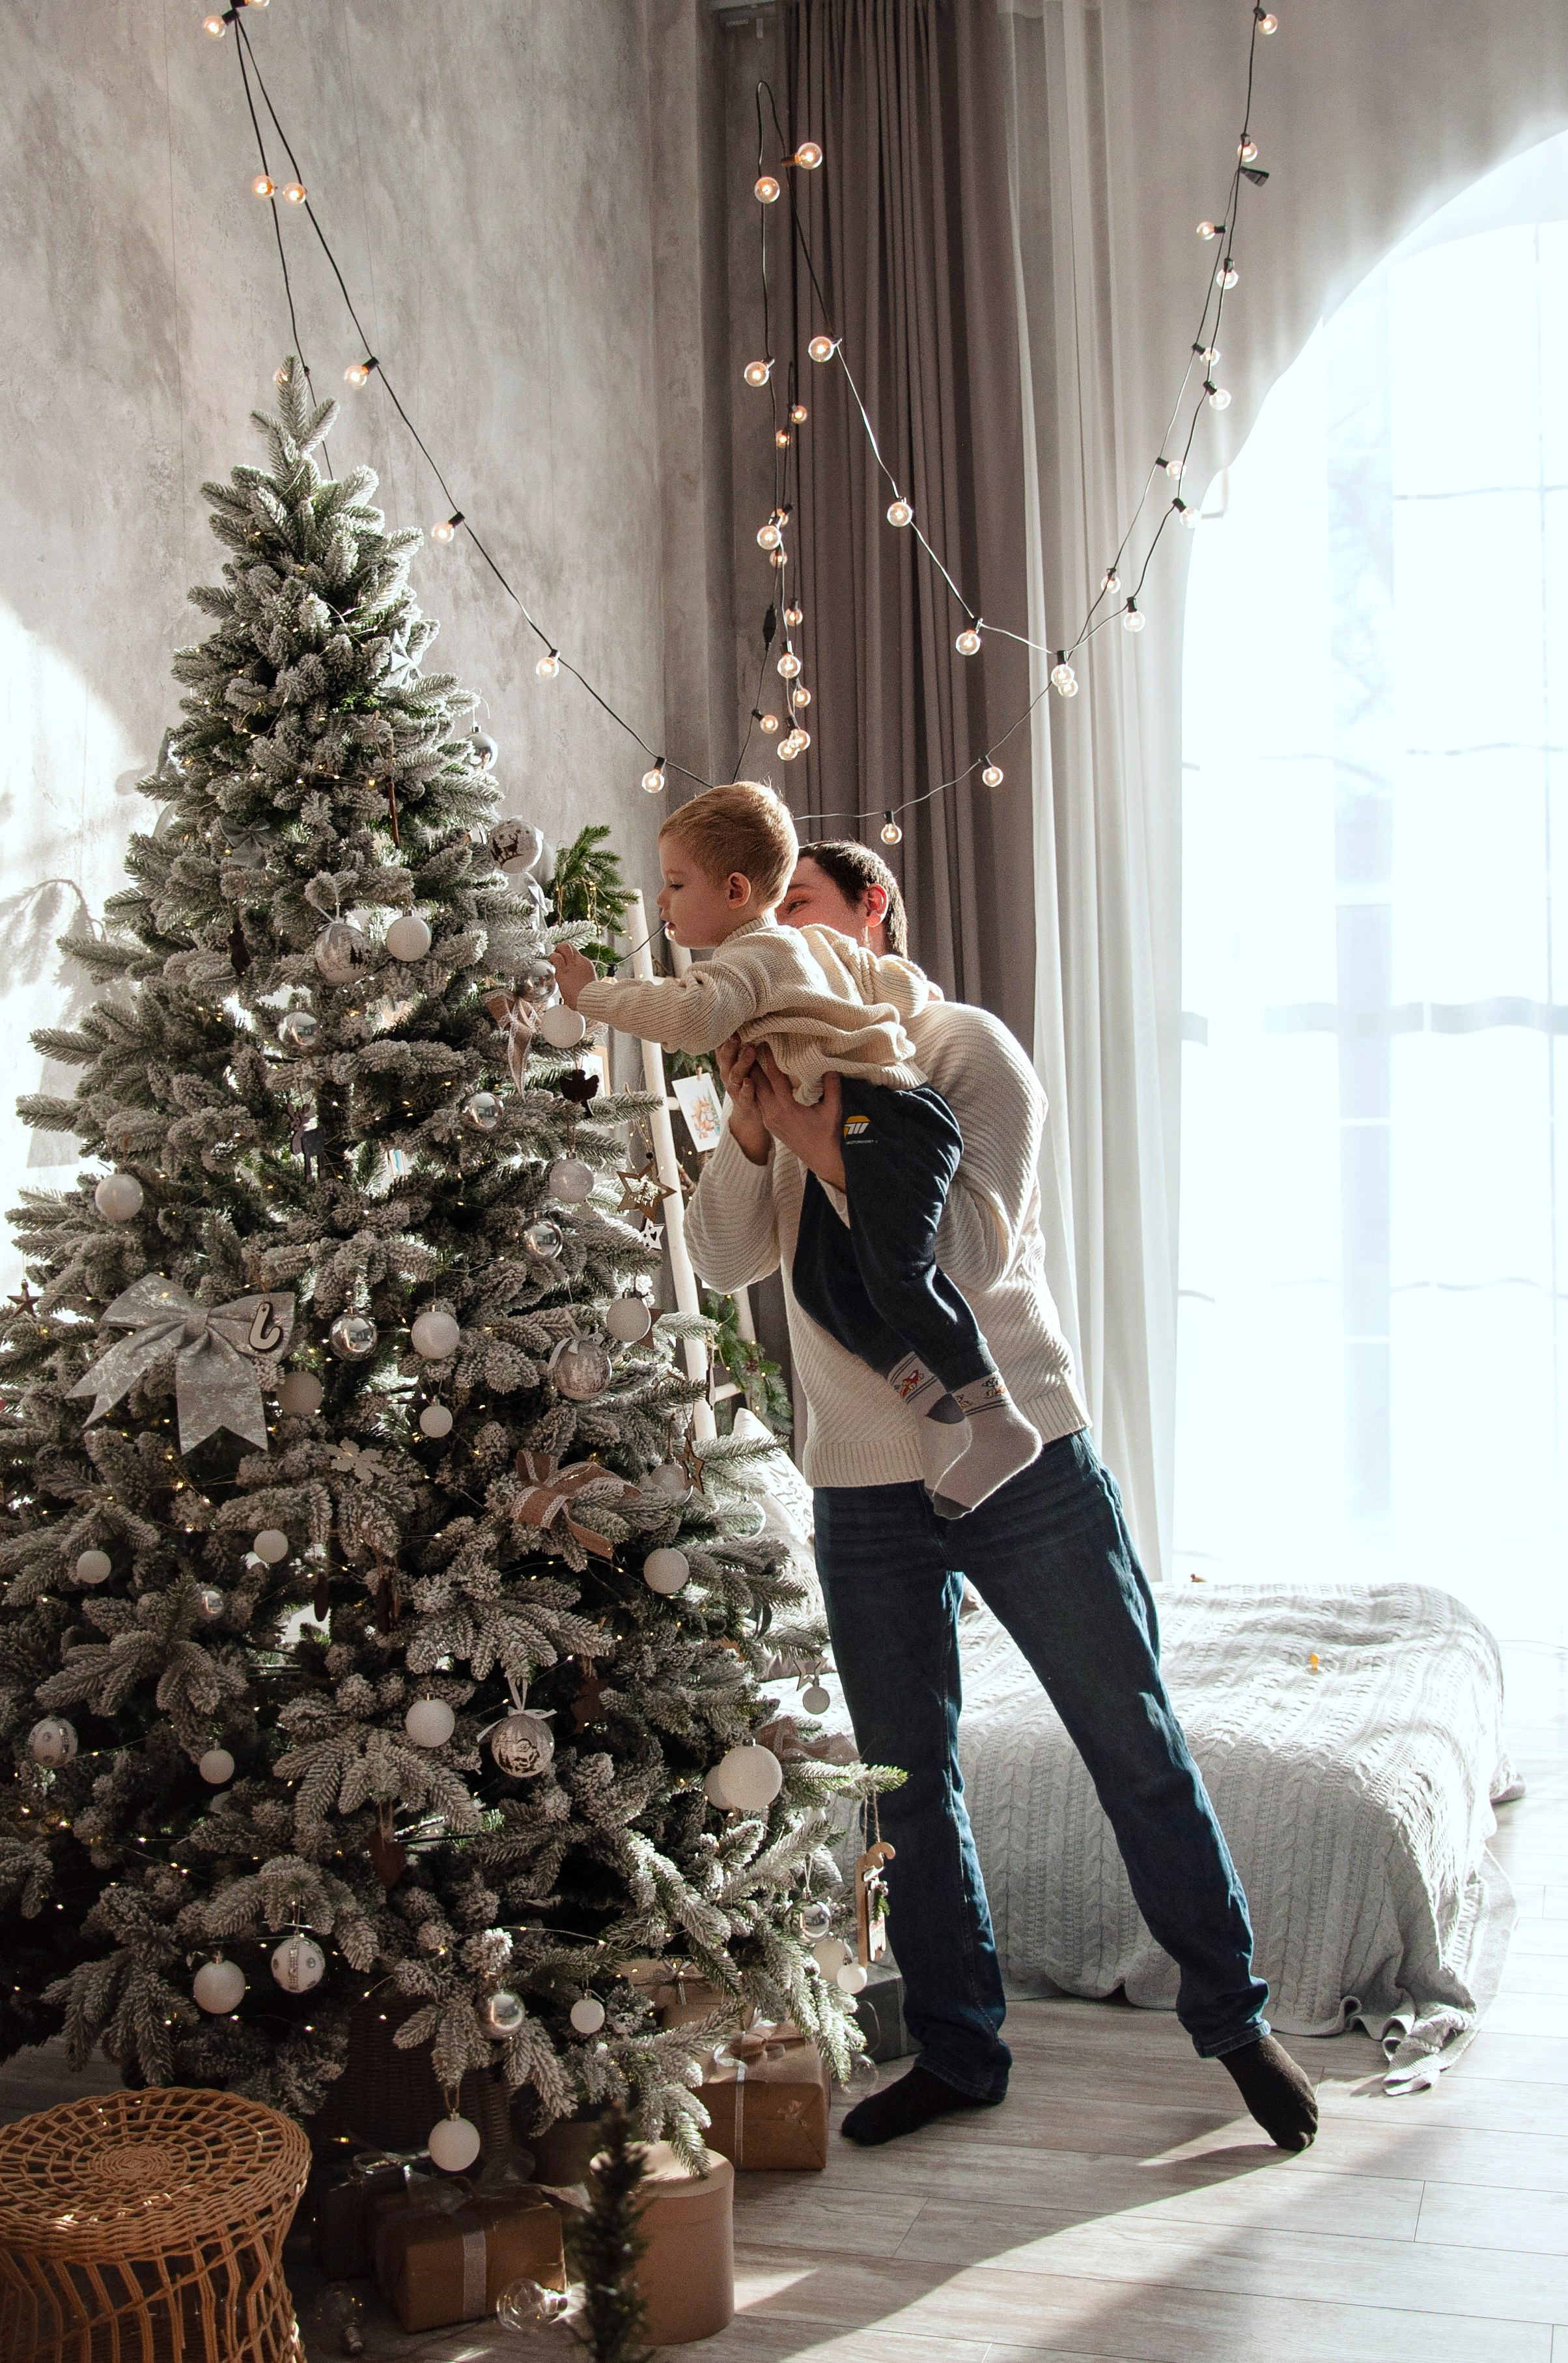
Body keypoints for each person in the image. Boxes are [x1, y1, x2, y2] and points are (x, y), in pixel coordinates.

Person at [683, 837, 1321, 2155]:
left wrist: (825, 1136)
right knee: (906, 1780)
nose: (776, 939)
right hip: (862, 1486)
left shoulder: (965, 1051)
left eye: (798, 906)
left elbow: (966, 1253)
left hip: (1019, 1453)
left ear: (871, 911)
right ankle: (963, 2047)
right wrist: (755, 1131)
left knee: (1131, 1741)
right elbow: (722, 1250)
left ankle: (1234, 2015)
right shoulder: (770, 1062)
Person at [552, 785, 1042, 1512]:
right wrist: (755, 1118)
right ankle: (931, 1390)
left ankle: (996, 1415)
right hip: (865, 1123)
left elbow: (690, 1013)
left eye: (677, 884)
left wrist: (592, 995)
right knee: (816, 1283)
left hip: (886, 1116)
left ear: (737, 889)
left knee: (896, 1273)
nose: (661, 902)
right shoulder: (812, 956)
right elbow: (721, 1264)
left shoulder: (754, 959)